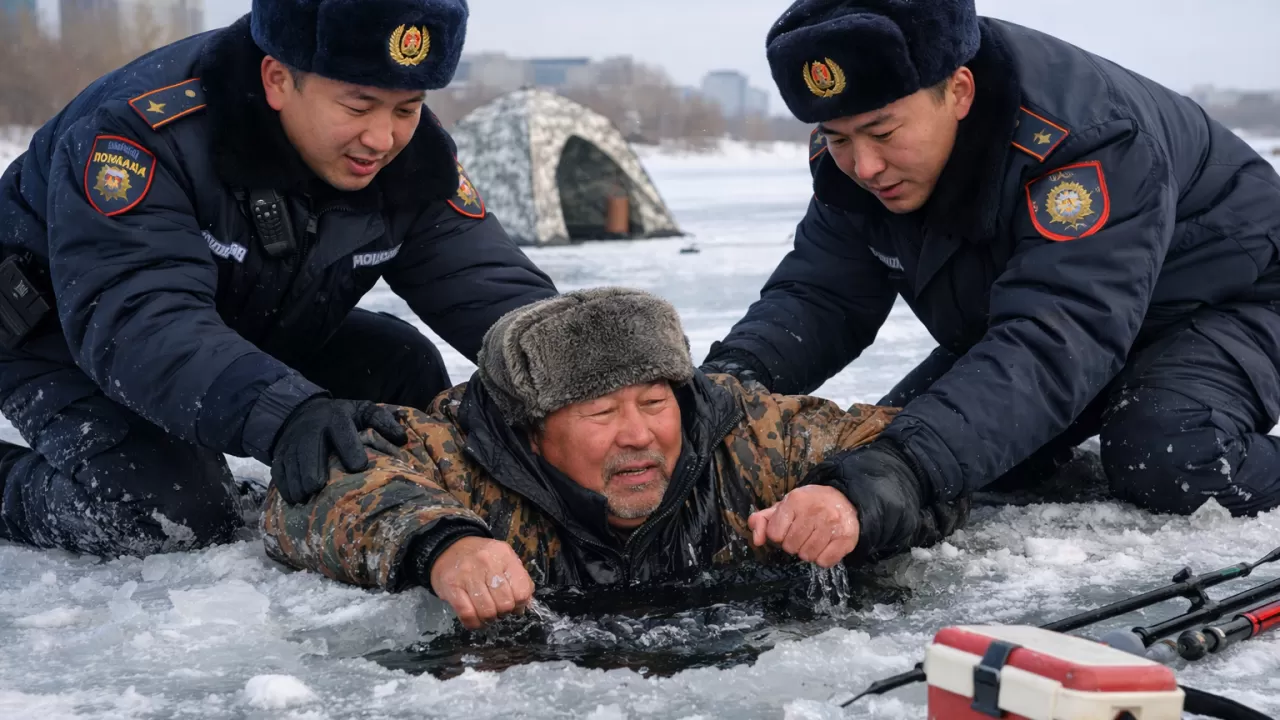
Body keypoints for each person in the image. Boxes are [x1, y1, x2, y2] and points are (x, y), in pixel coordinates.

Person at [701, 0, 1280, 558]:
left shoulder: (1083, 143)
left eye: (882, 133)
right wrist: (716, 395)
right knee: (891, 445)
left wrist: (903, 467)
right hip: (1084, 317)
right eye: (837, 137)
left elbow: (1056, 336)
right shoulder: (855, 161)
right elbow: (820, 296)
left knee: (1167, 457)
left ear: (958, 91)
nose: (865, 166)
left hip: (1236, 297)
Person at [0, 0, 558, 557]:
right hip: (63, 335)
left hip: (237, 317)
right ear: (277, 81)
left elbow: (485, 280)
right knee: (172, 511)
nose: (382, 138)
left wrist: (587, 376)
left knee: (404, 380)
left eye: (407, 108)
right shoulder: (144, 131)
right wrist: (285, 410)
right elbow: (138, 316)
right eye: (359, 105)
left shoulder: (411, 158)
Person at [261, 288, 968, 629]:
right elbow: (316, 489)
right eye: (602, 413)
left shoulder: (735, 431)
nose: (639, 434)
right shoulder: (463, 449)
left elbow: (921, 448)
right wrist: (442, 546)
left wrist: (852, 499)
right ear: (531, 429)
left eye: (655, 403)